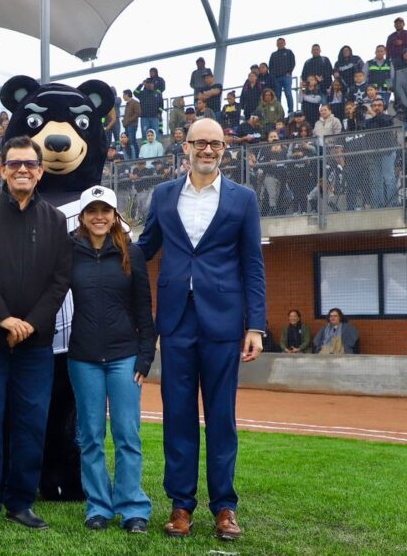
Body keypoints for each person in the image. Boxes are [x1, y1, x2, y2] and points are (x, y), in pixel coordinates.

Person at [136, 118, 266, 541]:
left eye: (216, 144)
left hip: (224, 321)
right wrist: (105, 244)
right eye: (200, 143)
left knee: (221, 417)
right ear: (186, 147)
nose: (208, 150)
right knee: (177, 416)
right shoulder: (163, 194)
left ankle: (225, 507)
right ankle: (181, 506)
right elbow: (145, 247)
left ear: (225, 149)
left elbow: (253, 264)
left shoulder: (243, 199)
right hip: (175, 321)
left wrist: (256, 326)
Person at [0, 135, 72, 537]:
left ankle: (20, 502)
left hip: (35, 345)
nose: (22, 169)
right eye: (14, 163)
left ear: (40, 171)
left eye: (30, 164)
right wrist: (5, 320)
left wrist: (30, 324)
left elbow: (60, 281)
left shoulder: (55, 220)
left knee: (31, 424)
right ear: (2, 169)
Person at [68, 185, 155, 534]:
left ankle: (133, 508)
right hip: (83, 358)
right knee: (90, 437)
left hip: (125, 358)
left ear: (115, 215)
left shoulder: (131, 254)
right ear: (82, 217)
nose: (99, 217)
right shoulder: (69, 253)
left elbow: (144, 310)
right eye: (92, 211)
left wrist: (145, 357)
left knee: (126, 435)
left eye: (105, 211)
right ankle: (98, 506)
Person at [269, 37, 297, 112]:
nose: (280, 44)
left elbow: (293, 62)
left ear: (284, 43)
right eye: (278, 43)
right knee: (277, 96)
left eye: (281, 43)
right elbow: (270, 66)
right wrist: (272, 76)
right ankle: (279, 112)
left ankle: (290, 111)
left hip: (286, 77)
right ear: (276, 44)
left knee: (288, 93)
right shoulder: (273, 54)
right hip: (276, 78)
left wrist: (289, 72)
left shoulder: (289, 52)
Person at [121, 89, 141, 160]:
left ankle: (136, 157)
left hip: (132, 125)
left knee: (132, 141)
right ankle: (131, 157)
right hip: (127, 125)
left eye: (124, 95)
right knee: (128, 142)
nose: (123, 96)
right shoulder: (128, 104)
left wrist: (128, 120)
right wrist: (124, 121)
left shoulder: (135, 102)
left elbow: (138, 113)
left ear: (127, 95)